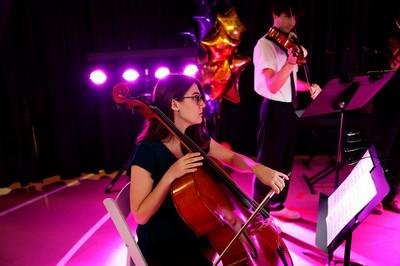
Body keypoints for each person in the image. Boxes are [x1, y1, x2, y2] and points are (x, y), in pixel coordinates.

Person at [129, 74, 289, 265]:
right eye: (196, 98)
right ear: (174, 104)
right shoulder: (147, 151)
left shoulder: (196, 139)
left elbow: (230, 157)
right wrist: (170, 175)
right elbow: (140, 214)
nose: (203, 105)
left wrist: (257, 168)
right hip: (166, 246)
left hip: (197, 235)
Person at [252, 0, 321, 220]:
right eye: (286, 15)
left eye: (293, 17)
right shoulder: (265, 45)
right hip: (273, 109)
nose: (291, 21)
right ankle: (260, 212)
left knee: (285, 161)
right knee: (269, 162)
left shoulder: (287, 45)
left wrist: (308, 86)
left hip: (289, 108)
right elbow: (273, 84)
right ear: (274, 14)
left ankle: (278, 206)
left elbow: (290, 82)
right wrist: (290, 64)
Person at [370, 33, 400, 214]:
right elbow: (374, 77)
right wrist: (392, 67)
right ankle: (374, 195)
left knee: (398, 153)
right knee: (382, 149)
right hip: (386, 104)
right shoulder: (386, 46)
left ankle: (390, 195)